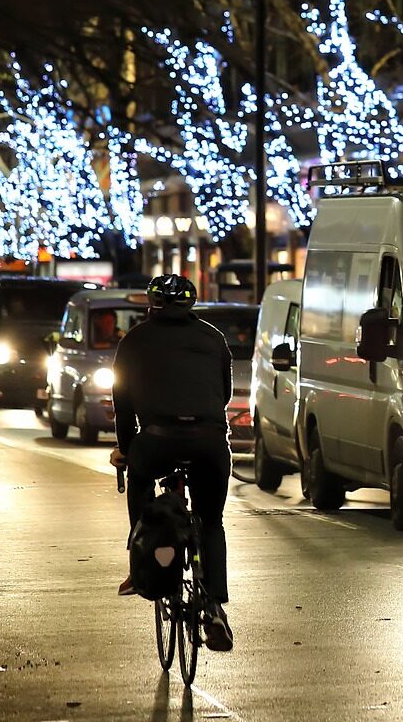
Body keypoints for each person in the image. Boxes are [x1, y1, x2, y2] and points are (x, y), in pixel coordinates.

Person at [110, 274, 235, 651]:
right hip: (210, 442)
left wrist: (126, 449)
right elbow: (224, 394)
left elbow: (123, 405)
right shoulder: (214, 338)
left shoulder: (133, 341)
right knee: (211, 522)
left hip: (157, 440)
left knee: (141, 486)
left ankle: (139, 564)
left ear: (151, 305)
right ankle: (213, 605)